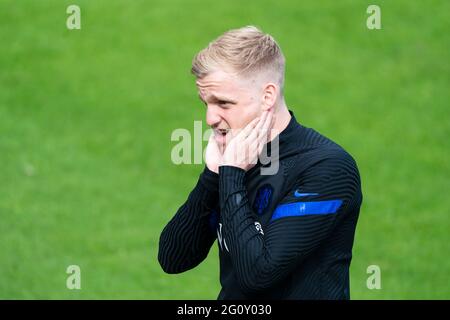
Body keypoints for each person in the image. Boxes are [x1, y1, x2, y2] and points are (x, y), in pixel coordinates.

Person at [158, 26, 362, 299]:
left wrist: (231, 174)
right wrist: (212, 175)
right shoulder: (235, 158)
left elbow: (259, 273)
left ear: (267, 96)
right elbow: (173, 259)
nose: (209, 119)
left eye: (224, 103)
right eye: (205, 103)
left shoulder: (328, 168)